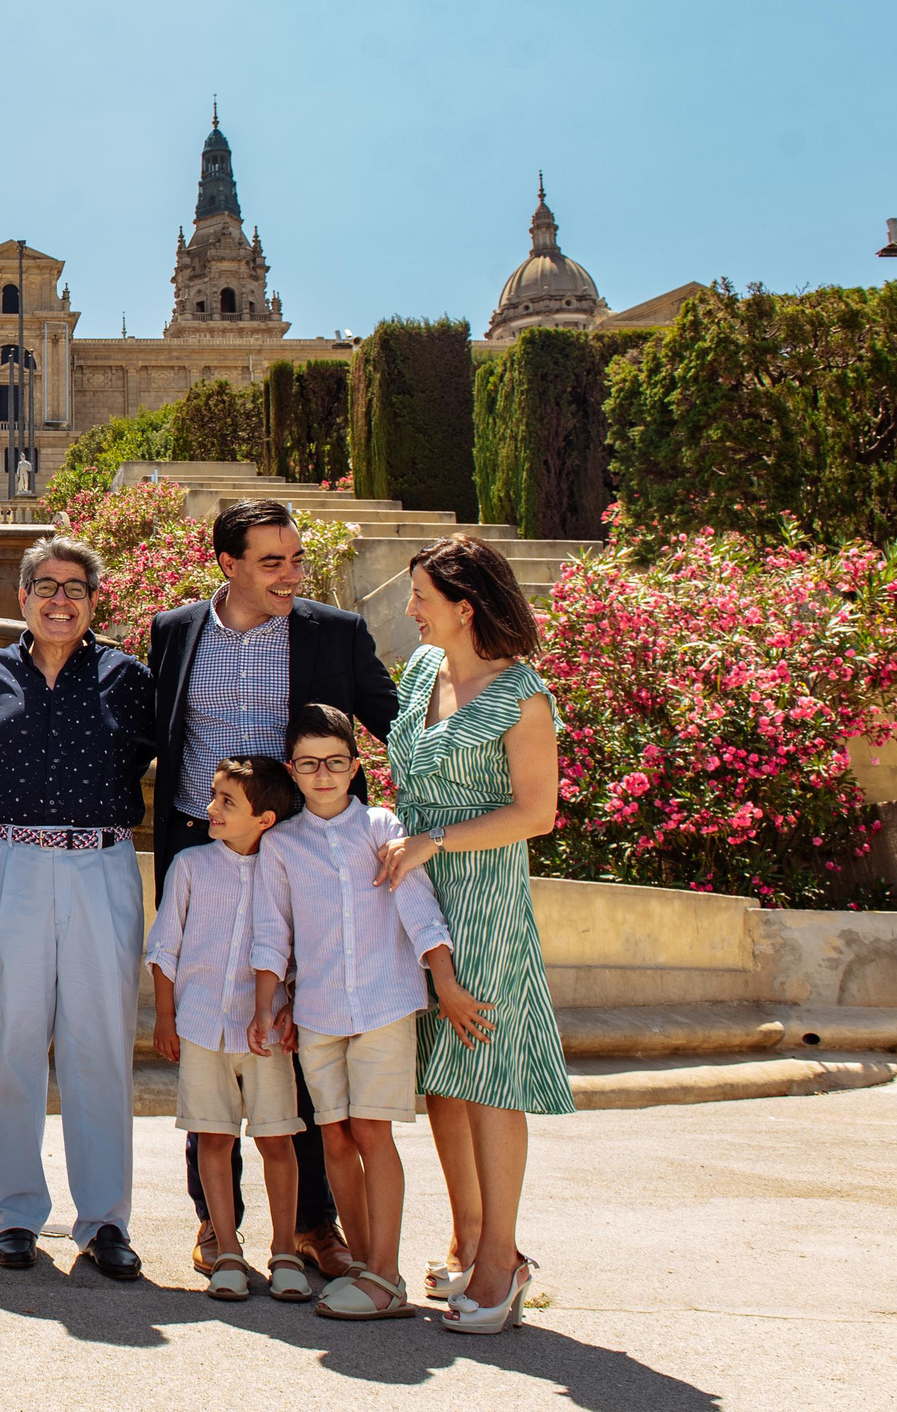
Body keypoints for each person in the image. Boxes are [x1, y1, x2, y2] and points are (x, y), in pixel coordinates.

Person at [147, 499, 396, 1276]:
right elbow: (152, 732)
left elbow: (397, 721)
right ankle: (216, 1223)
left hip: (302, 855)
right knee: (211, 1030)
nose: (292, 574)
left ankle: (315, 1224)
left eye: (296, 558)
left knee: (304, 1029)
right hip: (201, 846)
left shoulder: (335, 632)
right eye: (272, 562)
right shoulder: (175, 630)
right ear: (229, 564)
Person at [370, 536, 571, 1336]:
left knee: (487, 1070)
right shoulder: (423, 670)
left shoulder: (523, 696)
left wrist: (436, 839)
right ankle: (468, 1234)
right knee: (443, 1074)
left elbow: (537, 813)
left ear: (465, 605)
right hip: (416, 888)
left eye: (421, 595)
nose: (410, 608)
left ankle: (502, 1260)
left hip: (482, 893)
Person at [0, 535, 158, 1281]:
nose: (60, 600)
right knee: (12, 1043)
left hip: (100, 865)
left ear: (94, 600)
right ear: (23, 596)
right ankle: (15, 1215)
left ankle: (105, 1219)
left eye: (75, 587)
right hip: (8, 862)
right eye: (46, 586)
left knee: (99, 1047)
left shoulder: (128, 679)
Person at [253, 702, 484, 1321]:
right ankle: (361, 1263)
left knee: (372, 1131)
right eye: (308, 764)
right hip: (319, 1011)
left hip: (385, 1002)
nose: (323, 775)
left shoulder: (383, 827)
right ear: (292, 770)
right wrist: (274, 1002)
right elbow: (274, 933)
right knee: (334, 1134)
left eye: (335, 762)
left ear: (356, 766)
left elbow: (419, 910)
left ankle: (386, 1273)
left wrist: (445, 983)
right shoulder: (281, 845)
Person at [148, 755, 307, 1303]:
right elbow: (165, 947)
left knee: (276, 1139)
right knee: (213, 1139)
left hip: (266, 1037)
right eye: (214, 796)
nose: (211, 808)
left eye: (226, 801)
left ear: (265, 819)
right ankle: (227, 1250)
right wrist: (165, 1018)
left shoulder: (284, 872)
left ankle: (284, 1252)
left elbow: (295, 948)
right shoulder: (190, 865)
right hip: (200, 1028)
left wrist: (291, 1006)